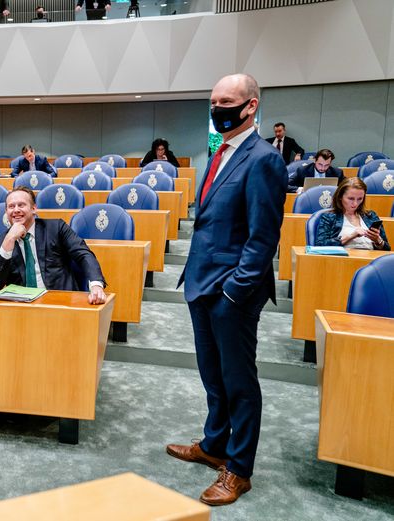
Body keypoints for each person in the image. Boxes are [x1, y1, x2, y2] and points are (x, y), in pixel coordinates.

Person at [168, 74, 286, 506]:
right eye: (213, 100)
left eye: (226, 101)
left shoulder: (263, 159)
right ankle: (214, 444)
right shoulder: (220, 153)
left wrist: (236, 291)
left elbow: (262, 238)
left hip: (232, 293)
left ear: (250, 106)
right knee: (213, 376)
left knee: (239, 382)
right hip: (201, 284)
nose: (217, 107)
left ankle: (238, 468)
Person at [0, 187, 107, 304]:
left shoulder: (56, 228)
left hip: (60, 302)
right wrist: (9, 240)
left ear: (34, 208)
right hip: (22, 307)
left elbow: (83, 254)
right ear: (6, 212)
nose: (16, 210)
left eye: (21, 205)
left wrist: (96, 285)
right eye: (11, 206)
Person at [316, 177, 390, 251]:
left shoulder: (370, 216)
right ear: (340, 197)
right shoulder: (329, 217)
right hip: (342, 260)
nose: (355, 203)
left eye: (360, 199)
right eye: (351, 198)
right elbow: (320, 246)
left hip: (371, 259)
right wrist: (351, 236)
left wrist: (378, 241)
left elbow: (387, 250)